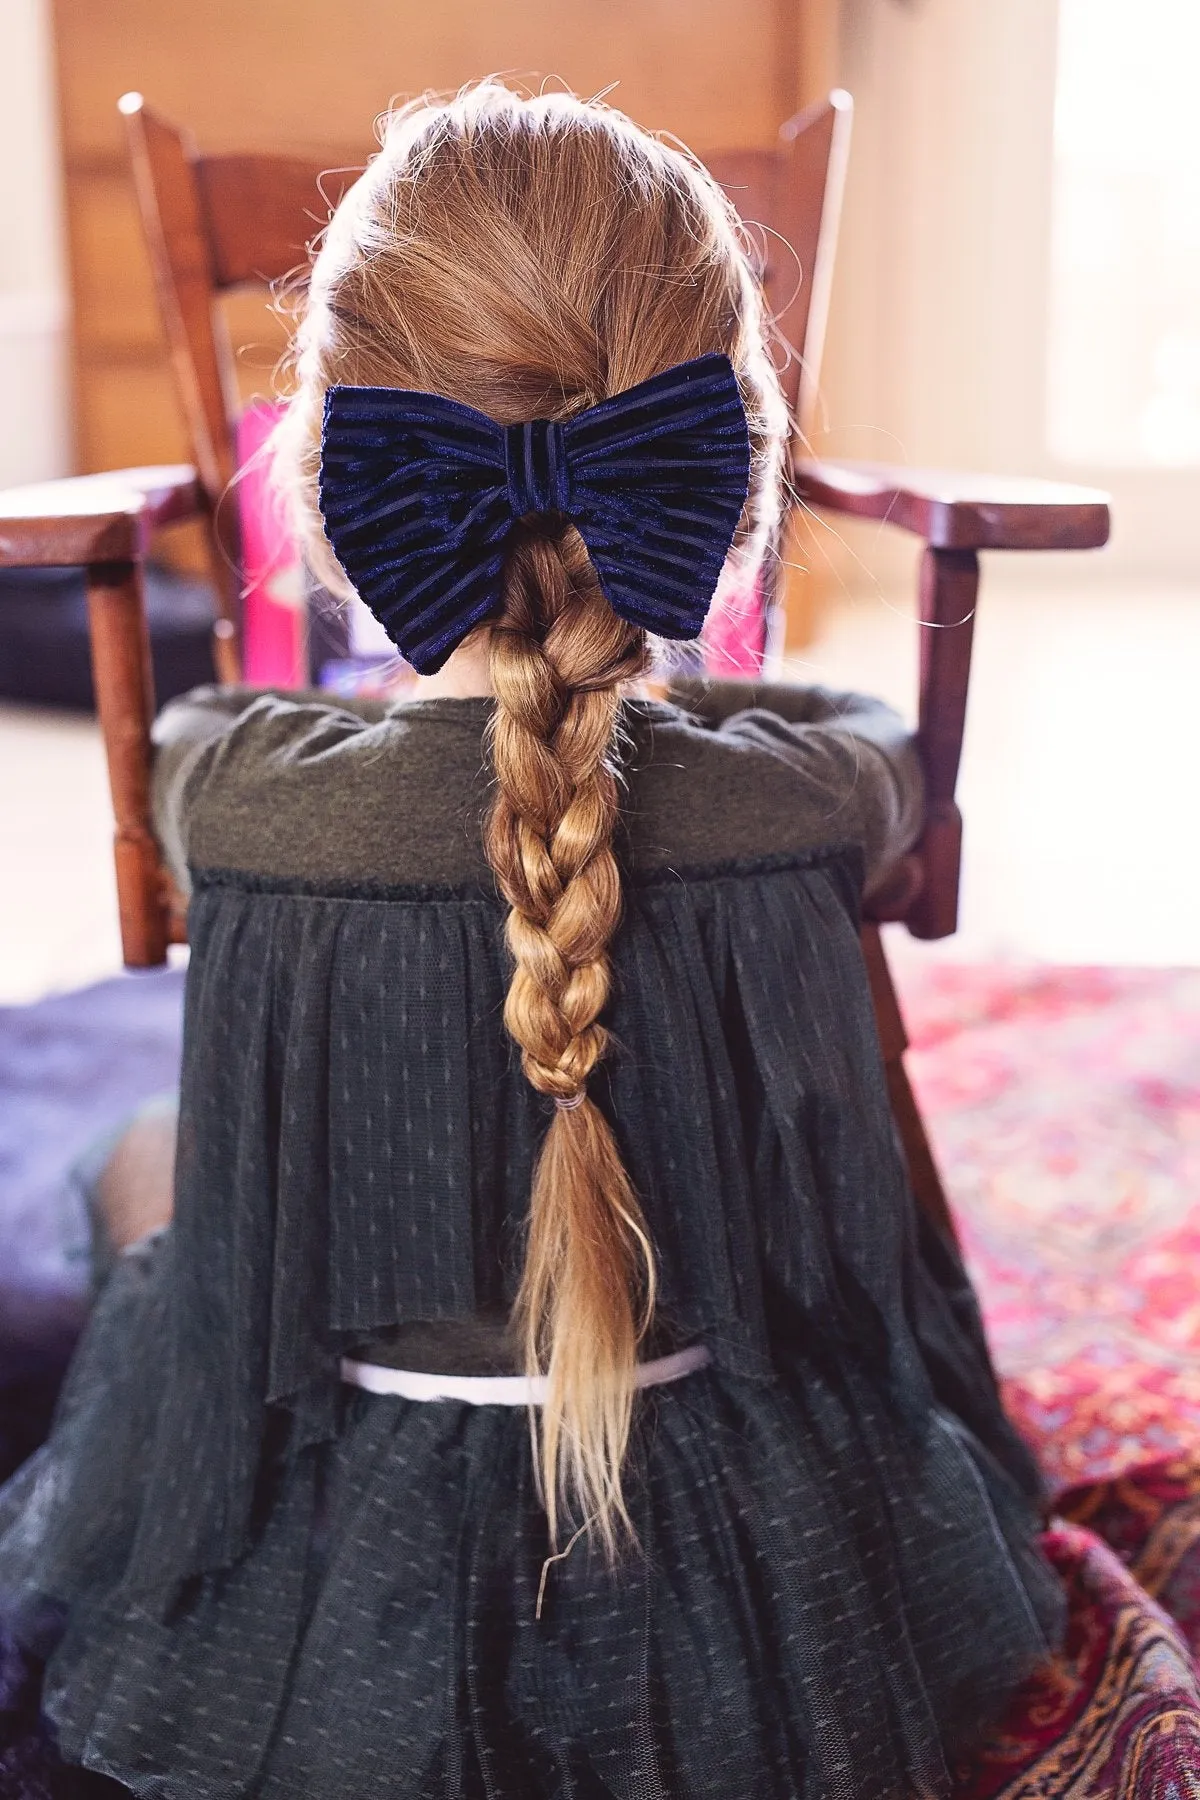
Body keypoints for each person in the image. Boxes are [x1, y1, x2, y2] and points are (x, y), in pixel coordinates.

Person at [0, 83, 1062, 1800]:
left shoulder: (236, 792)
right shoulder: (806, 792)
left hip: (341, 1564)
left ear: (339, 481)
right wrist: (678, 707)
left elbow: (191, 732)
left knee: (140, 1162)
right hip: (755, 1555)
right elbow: (873, 738)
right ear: (727, 472)